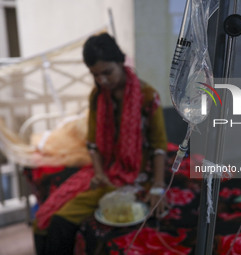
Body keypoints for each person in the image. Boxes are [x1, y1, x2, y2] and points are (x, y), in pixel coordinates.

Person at [33, 32, 168, 255]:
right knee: (46, 220)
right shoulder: (97, 97)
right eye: (95, 75)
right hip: (106, 171)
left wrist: (157, 186)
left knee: (59, 223)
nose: (102, 80)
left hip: (137, 174)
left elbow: (159, 145)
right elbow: (93, 144)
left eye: (107, 72)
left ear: (120, 62)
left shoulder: (147, 96)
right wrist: (98, 174)